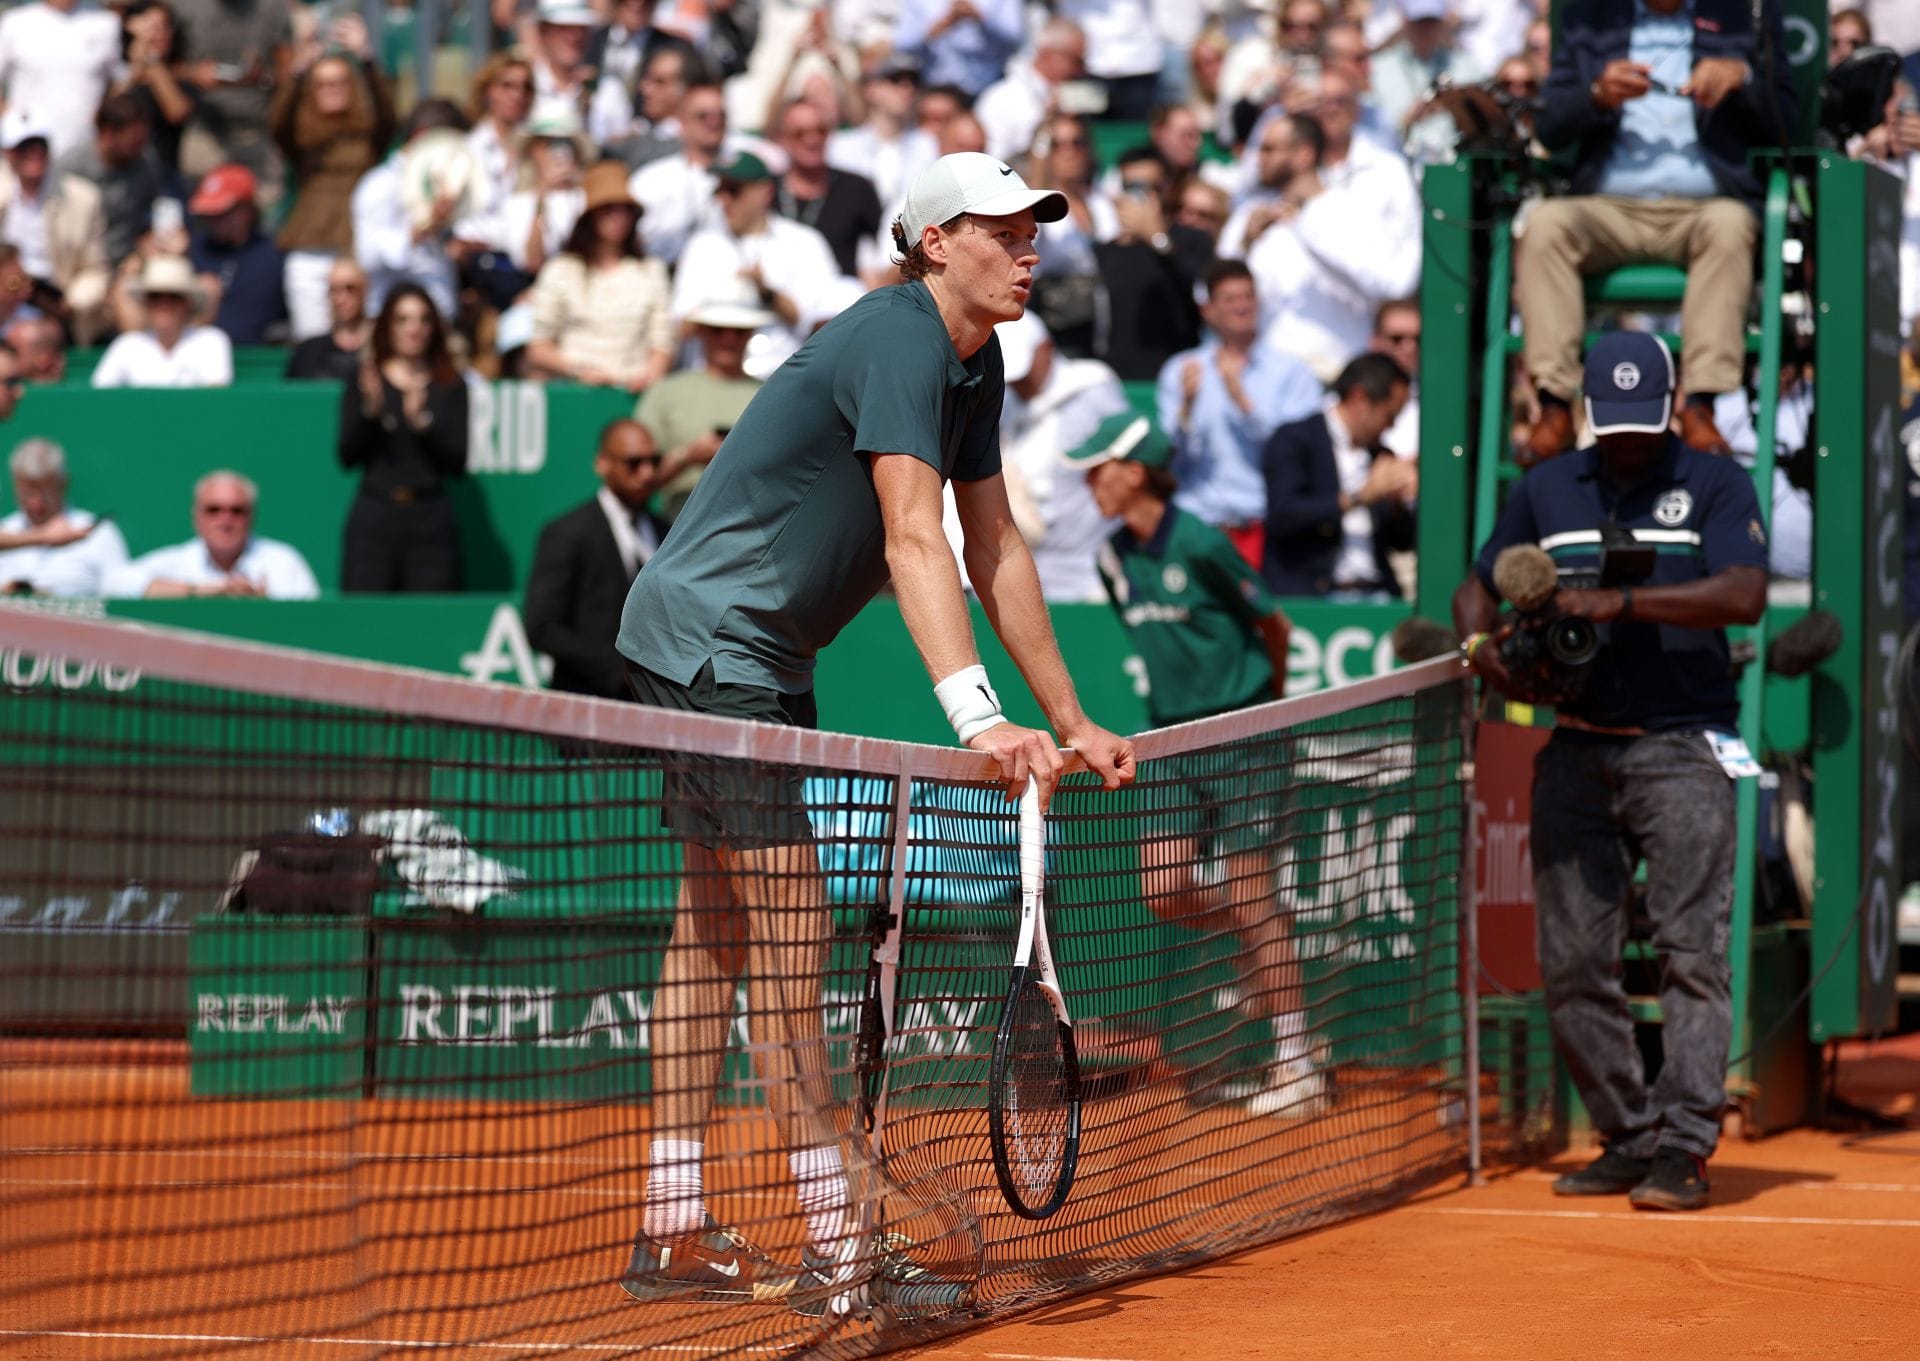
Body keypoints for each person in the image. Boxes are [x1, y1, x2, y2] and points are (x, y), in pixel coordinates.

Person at [612, 151, 1133, 1316]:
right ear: (937, 240)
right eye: (1004, 229)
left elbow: (994, 543)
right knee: (792, 934)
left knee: (712, 933)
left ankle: (671, 1223)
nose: (1030, 247)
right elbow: (915, 539)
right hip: (712, 647)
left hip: (749, 651)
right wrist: (978, 716)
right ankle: (840, 1245)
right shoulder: (898, 334)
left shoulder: (974, 358)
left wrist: (1070, 715)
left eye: (1034, 227)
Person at [1453, 331, 1769, 1212]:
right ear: (1589, 412)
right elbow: (1475, 586)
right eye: (1613, 423)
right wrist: (1483, 648)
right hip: (1578, 741)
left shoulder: (1715, 481)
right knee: (1573, 958)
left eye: (1645, 421)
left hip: (1685, 744)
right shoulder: (1547, 487)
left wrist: (1616, 601)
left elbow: (1743, 592)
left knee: (1690, 954)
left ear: (1671, 407)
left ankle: (1685, 1144)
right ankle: (1628, 1136)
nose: (1629, 438)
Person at [1066, 411, 1323, 1119]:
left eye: (1099, 469)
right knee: (1162, 887)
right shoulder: (1113, 559)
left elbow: (1274, 624)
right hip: (1171, 742)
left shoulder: (1203, 541)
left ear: (1136, 470)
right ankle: (1251, 930)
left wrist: (1258, 704)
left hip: (1245, 733)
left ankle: (1299, 1062)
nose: (1091, 484)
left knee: (1251, 887)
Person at [1517, 0, 1797, 462]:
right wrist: (1595, 95)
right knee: (1546, 225)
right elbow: (1549, 124)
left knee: (1731, 226)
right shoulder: (1590, 17)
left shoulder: (1743, 14)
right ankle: (1554, 407)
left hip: (1705, 208)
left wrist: (1742, 79)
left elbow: (1788, 120)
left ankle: (1701, 407)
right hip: (1607, 209)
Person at [943, 309, 1128, 602]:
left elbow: (1123, 467)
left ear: (1046, 349)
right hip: (1023, 556)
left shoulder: (1092, 390)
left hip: (1087, 562)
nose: (1019, 382)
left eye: (1025, 371)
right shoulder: (1000, 399)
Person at [1158, 258, 1323, 568]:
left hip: (1266, 526)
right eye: (1230, 299)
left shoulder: (1292, 371)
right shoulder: (1181, 370)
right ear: (1208, 311)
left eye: (1248, 297)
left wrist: (1243, 402)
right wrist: (1186, 410)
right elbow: (1169, 461)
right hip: (1200, 523)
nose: (1241, 306)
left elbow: (1296, 457)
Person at [523, 417, 667, 700]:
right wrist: (619, 670)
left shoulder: (668, 531)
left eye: (654, 461)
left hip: (657, 712)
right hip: (588, 705)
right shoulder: (568, 532)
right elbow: (542, 627)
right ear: (603, 464)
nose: (647, 473)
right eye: (634, 463)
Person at [336, 283, 467, 592]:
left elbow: (457, 462)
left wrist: (422, 424)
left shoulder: (449, 384)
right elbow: (347, 455)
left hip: (430, 518)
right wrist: (371, 411)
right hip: (375, 514)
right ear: (387, 326)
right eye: (403, 319)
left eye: (423, 320)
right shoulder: (366, 379)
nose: (414, 329)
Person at [671, 151, 844, 379]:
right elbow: (680, 325)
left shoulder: (803, 242)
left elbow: (817, 324)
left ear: (765, 192)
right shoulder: (702, 245)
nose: (723, 201)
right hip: (712, 379)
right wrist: (721, 303)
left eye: (733, 191)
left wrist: (767, 294)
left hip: (778, 379)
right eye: (719, 191)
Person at [271, 28, 392, 340]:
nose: (332, 90)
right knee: (313, 341)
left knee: (364, 340)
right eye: (322, 84)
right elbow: (276, 123)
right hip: (310, 249)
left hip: (357, 248)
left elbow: (388, 116)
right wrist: (298, 72)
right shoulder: (302, 136)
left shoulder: (367, 135)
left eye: (340, 82)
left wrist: (366, 59)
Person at [1262, 351, 1414, 597]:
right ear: (1360, 399)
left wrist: (1397, 503)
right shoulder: (1293, 440)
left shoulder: (1381, 454)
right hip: (1312, 596)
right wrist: (1359, 497)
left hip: (1377, 594)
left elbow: (1402, 541)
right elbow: (1283, 515)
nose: (1392, 426)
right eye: (1390, 415)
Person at [526, 160, 673, 391]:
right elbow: (538, 347)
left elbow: (661, 343)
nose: (619, 217)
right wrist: (579, 371)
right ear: (590, 216)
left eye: (626, 210)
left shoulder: (652, 271)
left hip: (632, 394)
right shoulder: (561, 270)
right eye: (608, 209)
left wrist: (648, 378)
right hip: (575, 393)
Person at [635, 278, 769, 524]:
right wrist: (688, 457)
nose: (728, 339)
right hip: (677, 528)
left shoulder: (770, 396)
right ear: (700, 330)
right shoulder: (665, 393)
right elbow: (635, 479)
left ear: (751, 333)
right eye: (718, 330)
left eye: (739, 331)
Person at [1094, 146, 1212, 381]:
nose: (1140, 198)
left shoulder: (1192, 240)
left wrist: (1157, 239)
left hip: (1179, 378)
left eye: (1150, 188)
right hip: (1120, 380)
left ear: (1168, 189)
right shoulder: (1104, 252)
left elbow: (1203, 290)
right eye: (1131, 188)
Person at [109, 468, 319, 598]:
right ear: (196, 516)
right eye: (213, 510)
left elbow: (312, 621)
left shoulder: (284, 562)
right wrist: (200, 592)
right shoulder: (176, 560)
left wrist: (266, 610)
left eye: (236, 511)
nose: (225, 520)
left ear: (252, 516)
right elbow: (115, 583)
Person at [0, 109, 111, 343]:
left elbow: (95, 267)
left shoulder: (82, 197)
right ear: (8, 154)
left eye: (40, 145)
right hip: (5, 297)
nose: (35, 153)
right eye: (24, 147)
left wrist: (70, 303)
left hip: (55, 298)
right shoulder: (3, 194)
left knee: (35, 337)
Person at [351, 100, 466, 320]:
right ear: (423, 136)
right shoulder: (380, 185)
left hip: (441, 319)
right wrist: (425, 225)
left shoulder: (441, 182)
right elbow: (369, 256)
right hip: (392, 323)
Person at [167, 0, 293, 192]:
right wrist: (193, 73)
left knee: (265, 211)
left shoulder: (272, 8)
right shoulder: (184, 7)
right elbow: (161, 66)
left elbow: (287, 74)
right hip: (204, 132)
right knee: (204, 212)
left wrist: (262, 76)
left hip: (257, 134)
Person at [0, 437, 130, 596]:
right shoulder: (4, 530)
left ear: (63, 483)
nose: (36, 504)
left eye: (45, 494)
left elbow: (122, 591)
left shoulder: (100, 532)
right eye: (26, 494)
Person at [53, 93, 168, 271]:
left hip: (130, 263)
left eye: (144, 141)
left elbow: (152, 210)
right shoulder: (71, 169)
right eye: (135, 142)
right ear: (107, 133)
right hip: (81, 266)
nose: (141, 148)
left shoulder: (146, 163)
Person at [772, 98, 883, 279]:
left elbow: (888, 248)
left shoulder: (856, 188)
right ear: (783, 138)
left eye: (821, 130)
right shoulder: (766, 191)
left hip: (841, 301)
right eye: (800, 133)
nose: (812, 139)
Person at [0, 0, 122, 160]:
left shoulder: (106, 23)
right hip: (27, 151)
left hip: (84, 150)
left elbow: (118, 82)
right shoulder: (14, 22)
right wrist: (9, 121)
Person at [92, 253, 231, 387]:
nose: (164, 305)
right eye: (156, 297)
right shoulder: (127, 345)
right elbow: (100, 395)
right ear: (146, 302)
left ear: (188, 303)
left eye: (174, 298)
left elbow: (216, 397)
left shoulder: (211, 342)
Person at [185, 161, 287, 344]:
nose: (214, 221)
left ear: (246, 210)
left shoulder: (274, 255)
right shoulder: (191, 249)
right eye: (209, 214)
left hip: (255, 362)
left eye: (222, 213)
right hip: (195, 361)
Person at [826, 54, 938, 218]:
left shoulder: (928, 145)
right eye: (895, 80)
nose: (907, 89)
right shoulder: (841, 146)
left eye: (914, 82)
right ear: (871, 89)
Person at [974, 18, 1085, 165]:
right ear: (1050, 55)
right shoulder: (1001, 98)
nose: (1081, 71)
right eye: (1077, 61)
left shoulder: (1062, 99)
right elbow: (994, 162)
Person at [112, 0, 196, 178]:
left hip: (166, 174)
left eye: (165, 27)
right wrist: (137, 68)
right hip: (125, 175)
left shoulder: (180, 73)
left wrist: (151, 60)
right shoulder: (118, 70)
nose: (161, 34)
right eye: (152, 28)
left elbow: (178, 111)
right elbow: (110, 111)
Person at [893, 0, 1024, 98]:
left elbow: (1014, 40)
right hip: (935, 89)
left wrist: (980, 18)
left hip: (985, 90)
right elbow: (903, 44)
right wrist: (942, 24)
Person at [285, 256, 370, 379]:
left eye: (350, 288)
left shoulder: (383, 349)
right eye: (334, 290)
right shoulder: (308, 352)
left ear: (365, 290)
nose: (341, 299)